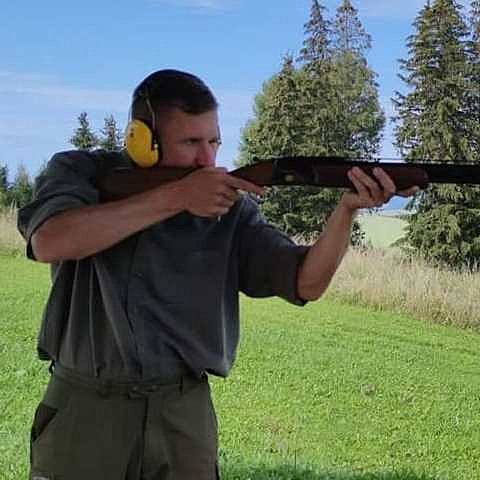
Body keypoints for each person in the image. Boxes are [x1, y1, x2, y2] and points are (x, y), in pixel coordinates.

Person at [18, 69, 417, 480]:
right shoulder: (81, 172)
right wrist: (178, 197)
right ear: (142, 142)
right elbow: (49, 240)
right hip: (85, 410)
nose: (207, 160)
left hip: (182, 415)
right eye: (191, 143)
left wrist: (346, 210)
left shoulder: (229, 208)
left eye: (214, 142)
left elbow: (306, 282)